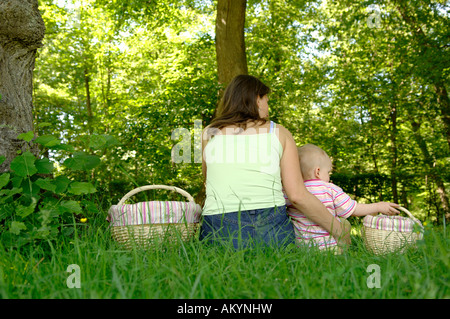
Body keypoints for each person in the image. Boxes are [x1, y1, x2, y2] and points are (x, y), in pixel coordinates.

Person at [199, 74, 350, 249]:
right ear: (257, 99)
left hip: (219, 228)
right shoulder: (279, 132)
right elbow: (297, 195)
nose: (268, 108)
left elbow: (208, 181)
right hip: (269, 226)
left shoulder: (209, 133)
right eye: (267, 101)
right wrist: (340, 231)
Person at [285, 143, 400, 252]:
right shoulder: (330, 189)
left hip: (302, 247)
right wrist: (378, 206)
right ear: (318, 172)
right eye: (328, 172)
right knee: (344, 223)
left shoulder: (290, 191)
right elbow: (354, 209)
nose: (329, 176)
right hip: (329, 248)